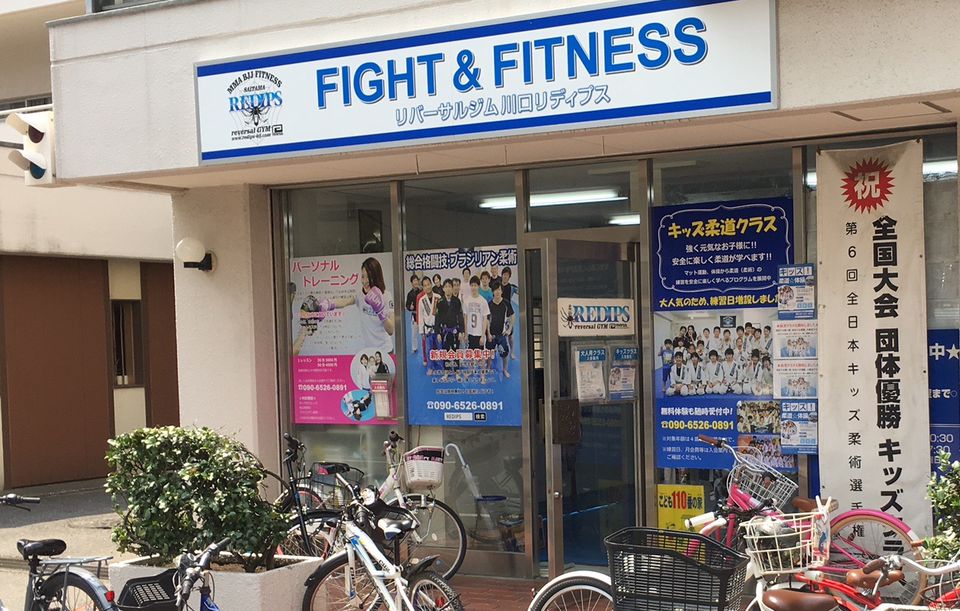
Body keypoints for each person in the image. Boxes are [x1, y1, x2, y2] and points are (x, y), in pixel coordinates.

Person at [300, 257, 395, 355]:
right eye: (363, 276)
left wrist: (380, 312)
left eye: (369, 277)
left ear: (376, 277)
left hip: (385, 351)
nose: (365, 281)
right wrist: (328, 303)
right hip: (368, 352)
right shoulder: (360, 295)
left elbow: (391, 330)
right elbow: (344, 302)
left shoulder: (386, 296)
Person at [463, 275, 491, 383]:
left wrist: (483, 335)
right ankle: (471, 370)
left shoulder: (483, 301)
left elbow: (485, 319)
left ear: (478, 286)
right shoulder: (466, 300)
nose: (474, 287)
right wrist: (466, 333)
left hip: (479, 333)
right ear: (470, 286)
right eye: (472, 285)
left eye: (475, 285)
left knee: (481, 356)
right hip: (470, 332)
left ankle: (482, 375)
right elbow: (465, 317)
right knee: (470, 354)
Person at [435, 279, 464, 382]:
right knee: (445, 352)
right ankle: (446, 372)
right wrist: (438, 333)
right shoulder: (440, 302)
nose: (448, 288)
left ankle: (456, 372)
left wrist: (461, 331)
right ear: (443, 289)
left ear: (452, 288)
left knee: (456, 352)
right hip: (444, 331)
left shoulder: (457, 301)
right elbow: (437, 318)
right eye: (446, 286)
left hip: (455, 330)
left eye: (449, 286)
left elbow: (460, 316)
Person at [486, 280, 514, 379]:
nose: (497, 292)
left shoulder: (506, 303)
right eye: (495, 290)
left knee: (505, 354)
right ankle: (488, 367)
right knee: (489, 353)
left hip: (502, 335)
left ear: (501, 291)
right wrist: (488, 333)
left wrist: (509, 329)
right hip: (492, 335)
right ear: (493, 292)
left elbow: (512, 316)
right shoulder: (489, 304)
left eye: (499, 290)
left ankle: (505, 370)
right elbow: (487, 320)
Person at [416, 275, 440, 368]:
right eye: (425, 285)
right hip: (427, 329)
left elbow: (441, 314)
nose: (427, 287)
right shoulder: (421, 300)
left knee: (439, 347)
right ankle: (430, 367)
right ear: (423, 287)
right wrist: (422, 332)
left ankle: (440, 364)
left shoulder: (438, 297)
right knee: (429, 349)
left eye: (428, 284)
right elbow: (421, 316)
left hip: (437, 328)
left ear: (431, 284)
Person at [405, 274, 421, 353]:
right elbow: (407, 305)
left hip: (422, 315)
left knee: (424, 333)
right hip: (414, 315)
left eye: (416, 280)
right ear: (411, 283)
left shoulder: (421, 292)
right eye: (414, 281)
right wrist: (409, 307)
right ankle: (414, 348)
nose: (416, 282)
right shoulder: (410, 294)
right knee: (414, 333)